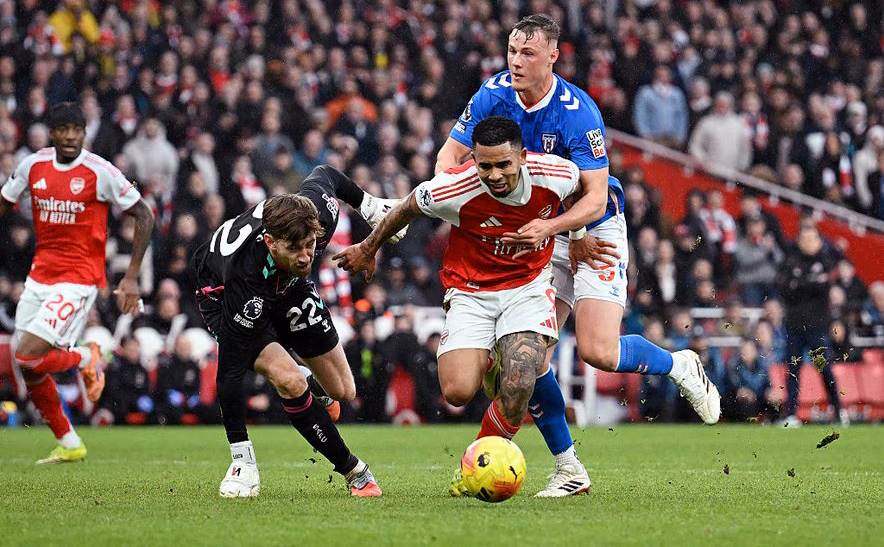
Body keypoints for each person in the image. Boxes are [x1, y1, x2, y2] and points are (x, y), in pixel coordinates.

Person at [435, 14, 720, 497]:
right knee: (530, 358)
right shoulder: (491, 95)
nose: (516, 61)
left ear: (553, 56)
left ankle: (679, 365)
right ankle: (570, 470)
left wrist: (564, 228)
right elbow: (448, 161)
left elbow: (592, 195)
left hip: (592, 226)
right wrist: (467, 207)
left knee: (598, 352)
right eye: (511, 51)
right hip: (538, 232)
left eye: (528, 53)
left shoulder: (577, 110)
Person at [336, 116, 599, 497]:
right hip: (470, 292)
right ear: (473, 160)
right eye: (485, 165)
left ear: (523, 157)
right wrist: (368, 247)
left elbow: (582, 193)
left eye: (504, 164)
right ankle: (493, 359)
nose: (494, 174)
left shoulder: (555, 173)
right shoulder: (453, 189)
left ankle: (476, 467)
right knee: (457, 392)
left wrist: (574, 234)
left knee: (520, 378)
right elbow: (405, 208)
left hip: (527, 286)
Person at [192, 164, 403, 498]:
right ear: (271, 242)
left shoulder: (313, 215)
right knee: (287, 379)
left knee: (344, 391)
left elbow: (327, 174)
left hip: (289, 284)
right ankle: (355, 471)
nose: (307, 257)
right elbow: (229, 374)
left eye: (311, 246)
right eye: (296, 249)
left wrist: (369, 206)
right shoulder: (242, 280)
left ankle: (311, 384)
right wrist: (240, 454)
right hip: (226, 297)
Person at [0, 102, 154, 463]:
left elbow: (144, 215)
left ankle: (87, 355)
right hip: (39, 277)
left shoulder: (100, 172)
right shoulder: (32, 165)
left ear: (85, 132)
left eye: (77, 129)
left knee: (28, 353)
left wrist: (130, 278)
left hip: (79, 280)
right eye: (63, 129)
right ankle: (69, 442)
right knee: (27, 365)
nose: (70, 136)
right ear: (51, 133)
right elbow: (5, 202)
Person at [776, 224, 848, 427]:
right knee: (793, 370)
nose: (808, 243)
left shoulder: (825, 261)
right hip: (795, 326)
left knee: (824, 368)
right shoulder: (790, 261)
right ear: (798, 241)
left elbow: (821, 287)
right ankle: (790, 414)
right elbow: (784, 289)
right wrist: (808, 284)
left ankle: (839, 410)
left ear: (819, 241)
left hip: (817, 326)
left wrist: (801, 284)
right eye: (804, 239)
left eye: (812, 238)